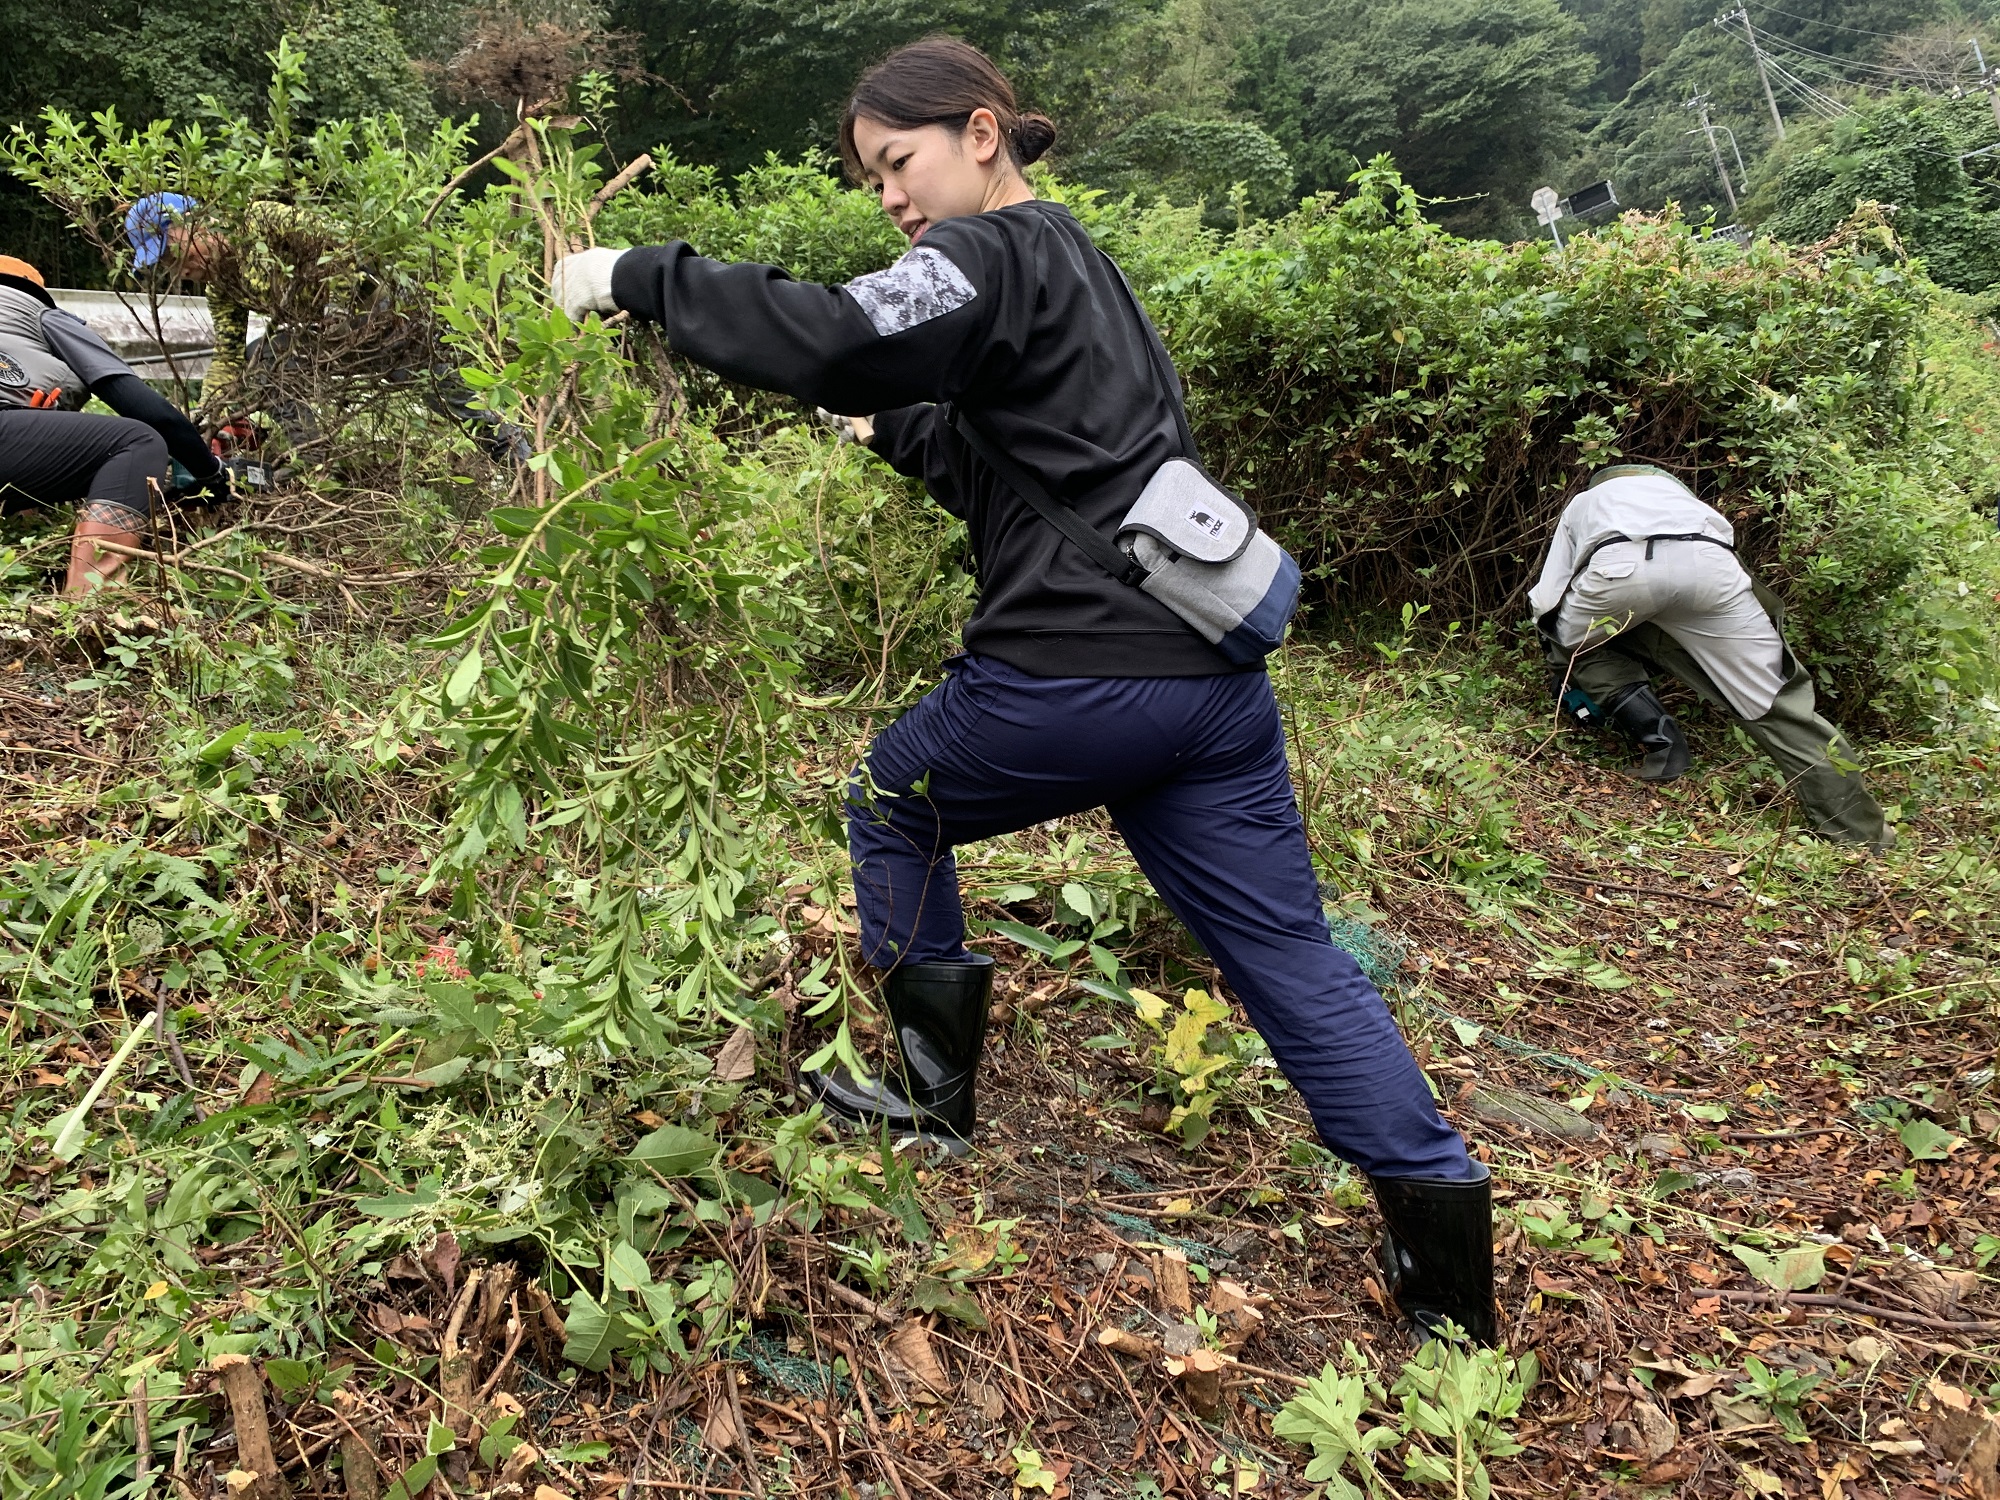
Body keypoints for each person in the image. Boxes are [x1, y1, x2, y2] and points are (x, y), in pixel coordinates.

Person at [550, 38, 1497, 1344]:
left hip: (1078, 675)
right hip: (1210, 686)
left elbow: (838, 337)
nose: (888, 193)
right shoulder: (1085, 270)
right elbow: (1049, 475)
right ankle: (1445, 1271)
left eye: (900, 161)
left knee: (892, 796)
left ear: (979, 134)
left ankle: (935, 1089)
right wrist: (899, 432)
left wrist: (640, 278)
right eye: (872, 177)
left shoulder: (987, 253)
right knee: (1288, 953)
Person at [1531, 462, 1890, 850]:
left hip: (1617, 569)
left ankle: (1661, 741)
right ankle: (1861, 836)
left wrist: (1562, 657)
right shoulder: (1682, 498)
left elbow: (1549, 594)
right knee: (1777, 706)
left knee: (1570, 639)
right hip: (1713, 570)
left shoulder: (1585, 501)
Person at [124, 193, 530, 466]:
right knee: (259, 357)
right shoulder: (223, 287)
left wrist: (334, 312)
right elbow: (227, 358)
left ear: (193, 223)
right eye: (164, 265)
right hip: (335, 339)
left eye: (173, 253)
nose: (181, 270)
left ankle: (528, 472)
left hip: (389, 317)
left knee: (453, 397)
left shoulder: (260, 219)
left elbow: (340, 246)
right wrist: (206, 416)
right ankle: (316, 462)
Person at [0, 254, 227, 592]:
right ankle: (92, 598)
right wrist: (212, 474)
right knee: (138, 441)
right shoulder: (42, 314)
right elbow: (149, 411)